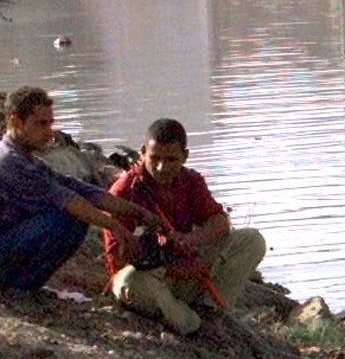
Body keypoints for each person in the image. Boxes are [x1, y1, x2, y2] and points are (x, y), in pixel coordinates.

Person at [0, 86, 156, 296]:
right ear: (15, 122)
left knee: (73, 215)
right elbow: (70, 201)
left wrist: (139, 213)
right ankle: (18, 288)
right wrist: (115, 226)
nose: (49, 131)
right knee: (66, 218)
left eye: (50, 123)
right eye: (41, 124)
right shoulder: (7, 161)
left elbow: (80, 189)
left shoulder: (26, 159)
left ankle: (23, 287)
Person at [102, 118, 267, 336]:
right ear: (143, 152)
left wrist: (191, 241)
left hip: (186, 271)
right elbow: (118, 258)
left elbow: (219, 222)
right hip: (149, 279)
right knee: (127, 283)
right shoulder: (123, 192)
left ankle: (208, 309)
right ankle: (193, 324)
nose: (162, 167)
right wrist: (169, 266)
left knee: (251, 240)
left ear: (185, 157)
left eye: (171, 159)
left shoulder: (191, 181)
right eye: (155, 158)